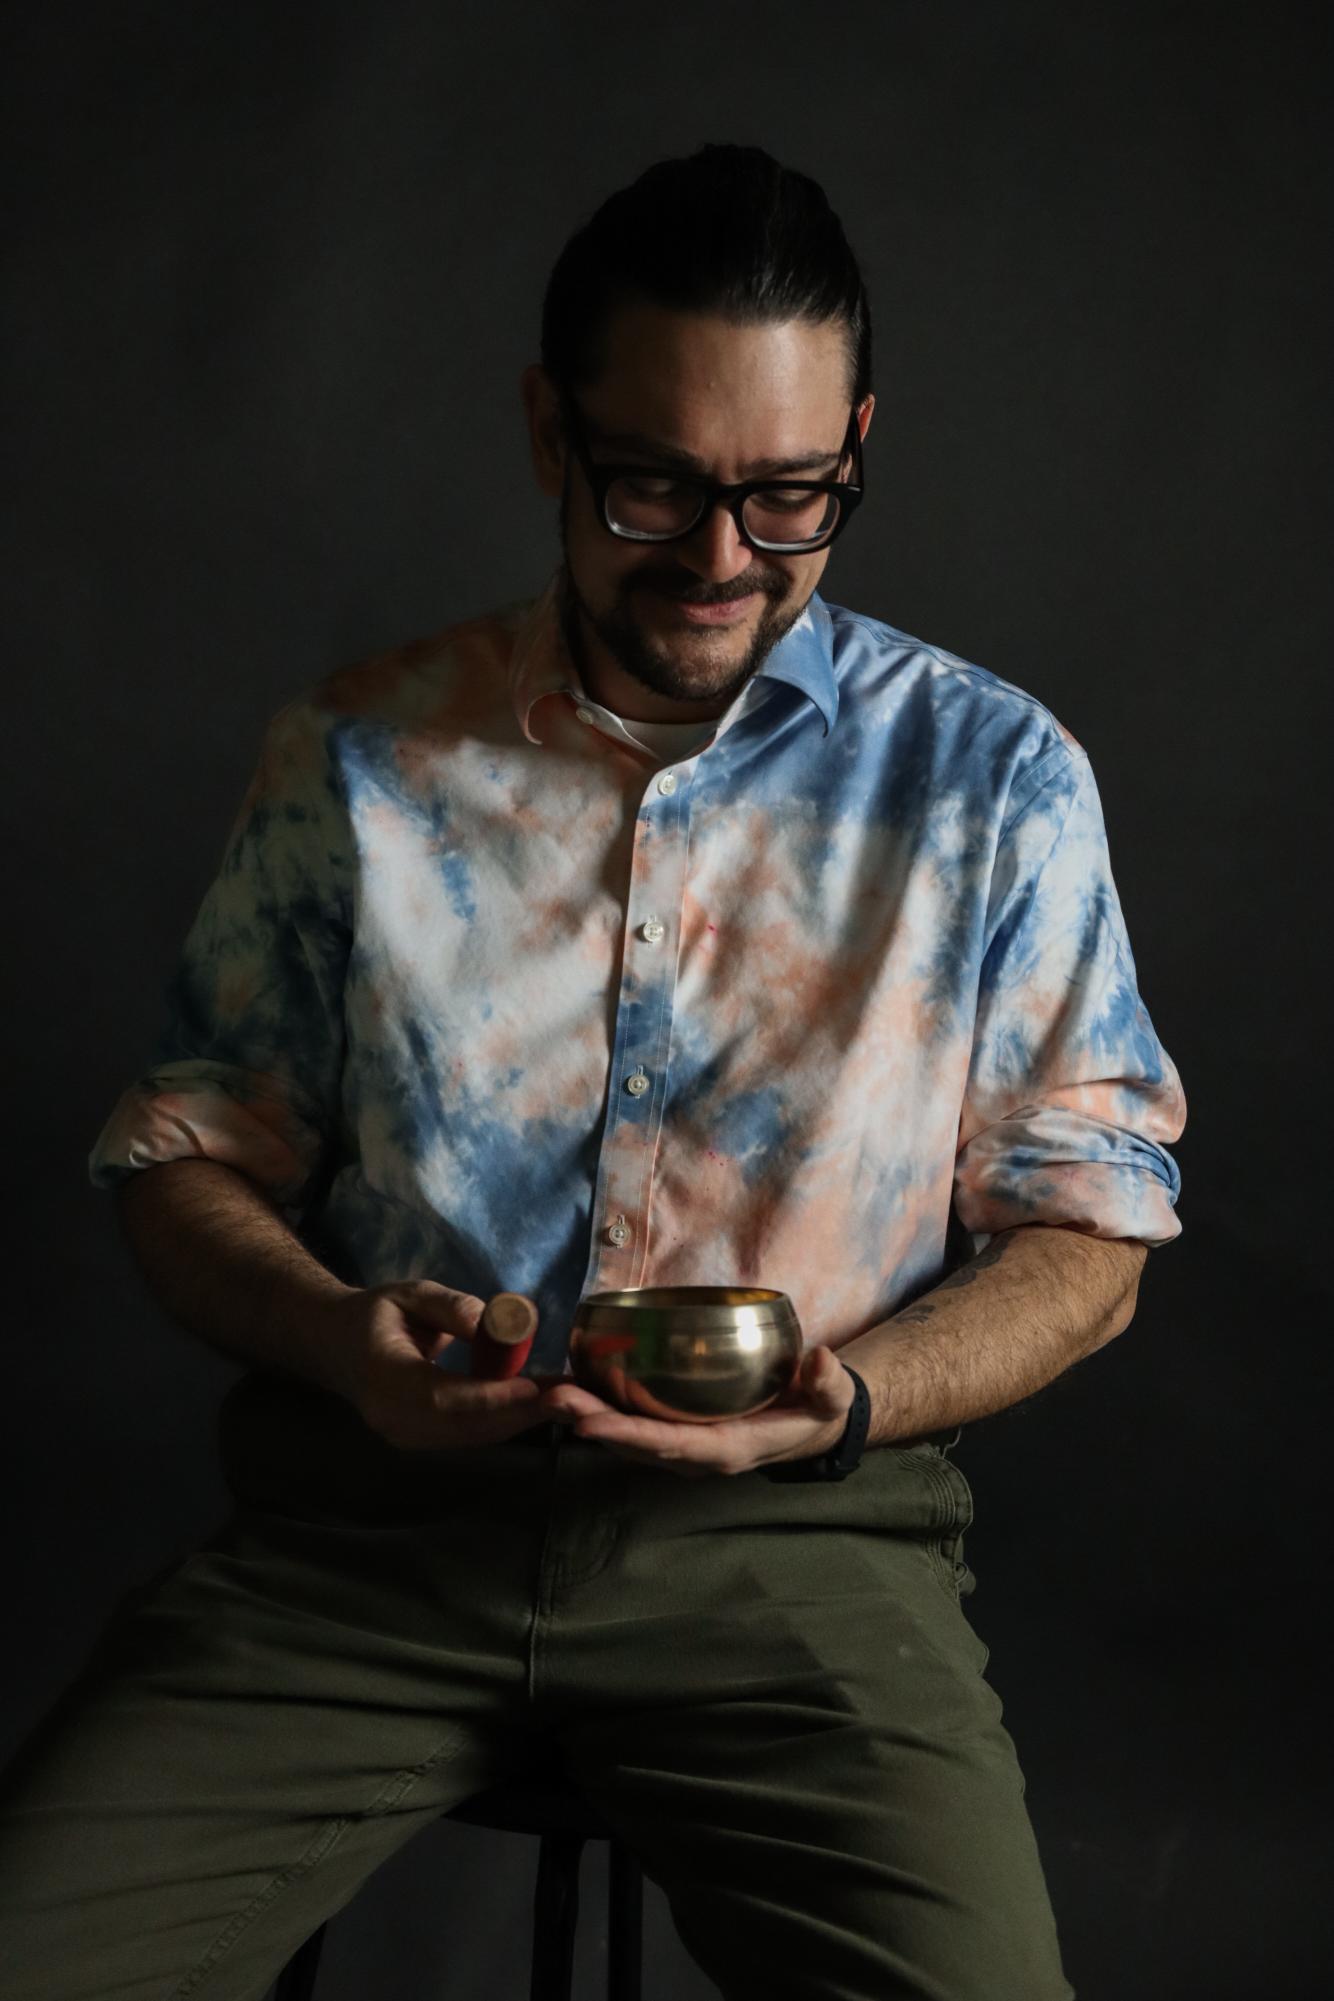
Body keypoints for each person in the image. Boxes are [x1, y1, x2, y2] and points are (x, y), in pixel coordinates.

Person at [0, 143, 1184, 2000]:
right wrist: (335, 1347)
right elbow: (183, 1154)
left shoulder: (993, 782)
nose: (722, 557)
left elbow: (1091, 1241)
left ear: (858, 442)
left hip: (795, 1555)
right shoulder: (362, 755)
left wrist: (843, 1402)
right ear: (549, 430)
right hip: (364, 1548)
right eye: (656, 484)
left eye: (790, 496)